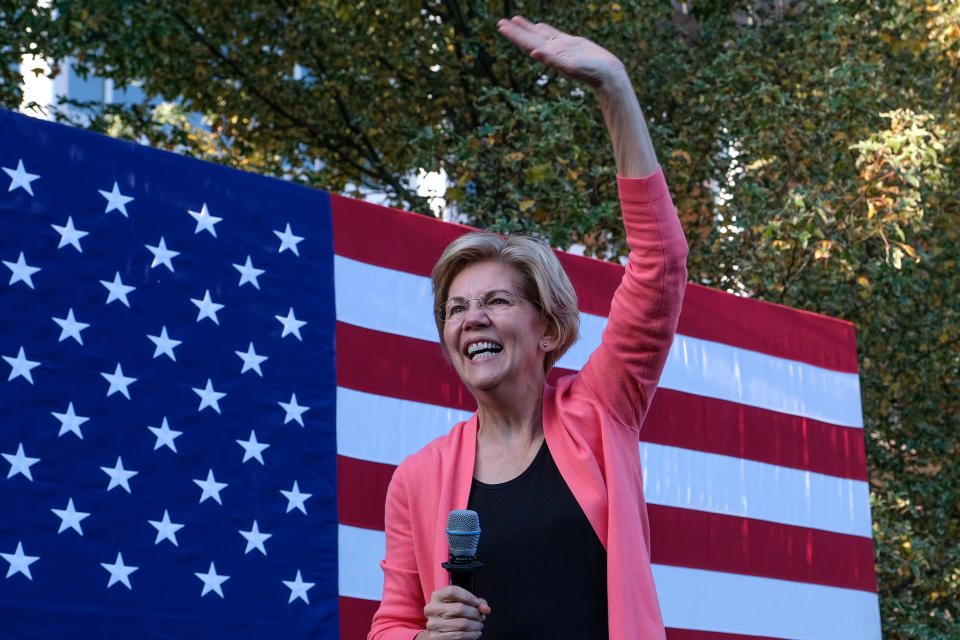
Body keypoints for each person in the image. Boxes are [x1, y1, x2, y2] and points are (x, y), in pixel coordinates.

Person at [368, 15, 688, 640]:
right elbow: (391, 625)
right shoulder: (417, 478)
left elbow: (661, 265)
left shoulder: (600, 412)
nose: (472, 319)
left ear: (547, 329)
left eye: (495, 300)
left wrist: (614, 89)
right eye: (456, 309)